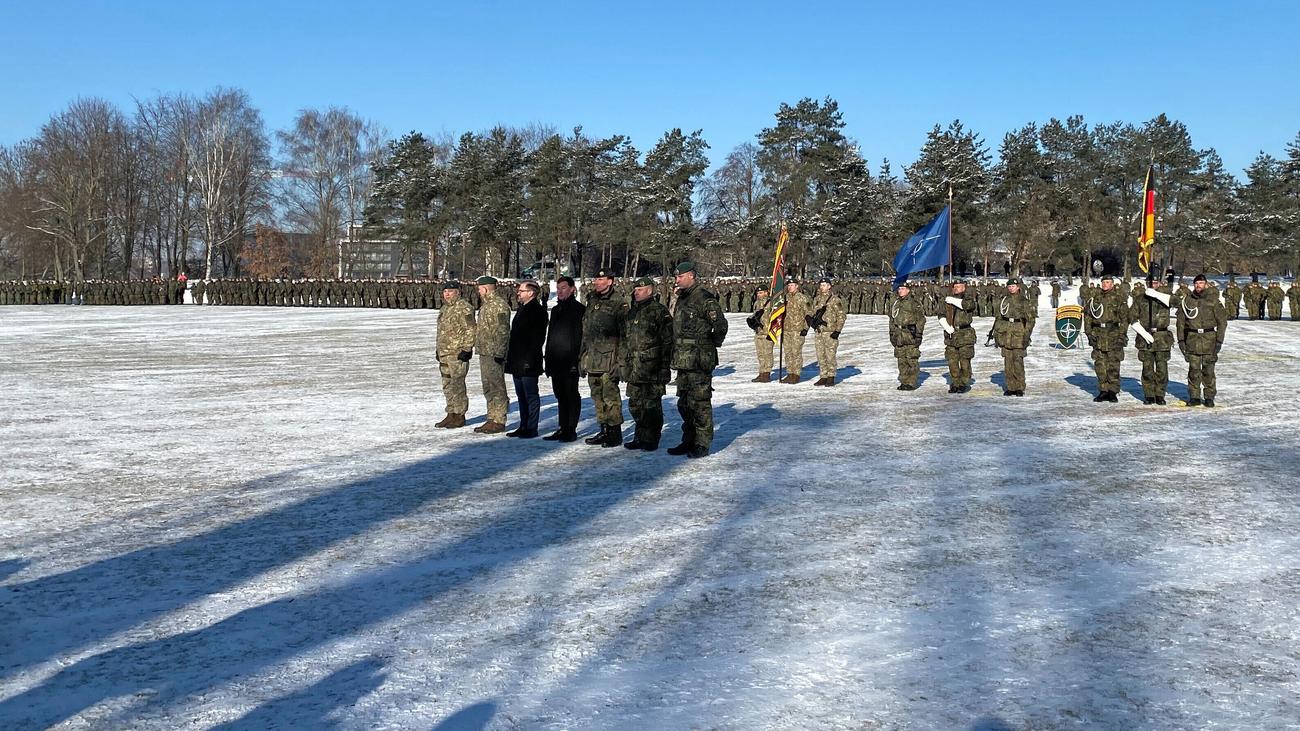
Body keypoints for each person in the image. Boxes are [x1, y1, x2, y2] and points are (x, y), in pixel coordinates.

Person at [668, 262, 728, 458]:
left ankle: (702, 443)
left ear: (691, 276)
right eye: (676, 277)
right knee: (684, 403)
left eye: (680, 277)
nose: (677, 280)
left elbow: (720, 325)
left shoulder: (703, 298)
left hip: (699, 360)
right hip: (683, 360)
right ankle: (689, 440)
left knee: (700, 402)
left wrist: (708, 346)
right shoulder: (683, 298)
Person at [621, 277, 674, 450]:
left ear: (650, 291)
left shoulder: (659, 311)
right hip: (634, 367)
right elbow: (625, 339)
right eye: (635, 290)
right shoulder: (632, 312)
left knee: (651, 405)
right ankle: (640, 436)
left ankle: (651, 438)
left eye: (640, 290)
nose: (636, 292)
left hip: (653, 367)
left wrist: (665, 367)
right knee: (635, 404)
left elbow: (668, 341)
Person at [579, 269, 628, 447]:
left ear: (610, 281)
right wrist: (582, 356)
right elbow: (586, 332)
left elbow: (625, 335)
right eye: (596, 279)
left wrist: (621, 362)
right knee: (597, 396)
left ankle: (615, 432)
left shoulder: (618, 303)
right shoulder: (592, 300)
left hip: (609, 360)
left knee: (610, 397)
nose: (597, 282)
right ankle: (604, 430)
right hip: (592, 358)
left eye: (601, 279)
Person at [543, 276, 585, 441]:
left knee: (571, 394)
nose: (560, 291)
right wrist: (548, 359)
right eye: (558, 288)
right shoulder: (555, 310)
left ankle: (571, 428)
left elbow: (579, 337)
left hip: (570, 360)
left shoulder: (578, 309)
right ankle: (562, 427)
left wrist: (576, 361)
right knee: (560, 394)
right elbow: (551, 336)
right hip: (556, 360)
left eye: (563, 288)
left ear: (572, 289)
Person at [504, 280, 548, 438]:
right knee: (521, 395)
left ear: (531, 293)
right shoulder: (523, 308)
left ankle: (531, 427)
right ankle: (523, 425)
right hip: (517, 360)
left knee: (531, 395)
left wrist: (528, 360)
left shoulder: (537, 311)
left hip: (528, 361)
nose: (518, 293)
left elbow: (537, 339)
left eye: (521, 291)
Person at [1177, 274, 1228, 407]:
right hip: (1192, 340)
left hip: (1209, 340)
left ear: (1206, 284)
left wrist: (1219, 341)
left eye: (1201, 283)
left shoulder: (1213, 301)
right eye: (1196, 283)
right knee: (1193, 370)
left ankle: (1209, 397)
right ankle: (1194, 397)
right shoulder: (1188, 301)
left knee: (1208, 371)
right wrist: (1181, 340)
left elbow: (1222, 322)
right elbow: (1181, 322)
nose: (1198, 286)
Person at [472, 276, 510, 434]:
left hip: (494, 352)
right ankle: (492, 417)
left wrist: (500, 351)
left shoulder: (499, 305)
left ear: (486, 289)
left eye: (480, 289)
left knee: (497, 386)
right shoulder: (487, 305)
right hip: (485, 351)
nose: (479, 291)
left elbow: (503, 330)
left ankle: (499, 419)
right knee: (488, 386)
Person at [1129, 273, 1175, 405]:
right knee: (1147, 369)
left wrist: (1157, 295)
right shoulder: (1140, 299)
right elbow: (1131, 317)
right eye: (1150, 282)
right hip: (1145, 338)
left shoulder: (1165, 296)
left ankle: (1160, 394)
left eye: (1155, 282)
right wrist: (1143, 332)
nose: (1152, 285)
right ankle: (1149, 394)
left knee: (1162, 369)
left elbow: (1176, 302)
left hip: (1162, 338)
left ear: (1159, 283)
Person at [435, 282, 476, 428]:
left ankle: (459, 415)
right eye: (445, 291)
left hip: (457, 353)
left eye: (450, 291)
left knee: (457, 384)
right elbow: (442, 331)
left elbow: (470, 329)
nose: (447, 294)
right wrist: (438, 349)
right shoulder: (445, 308)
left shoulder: (464, 308)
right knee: (447, 384)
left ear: (458, 292)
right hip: (444, 352)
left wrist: (467, 349)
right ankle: (450, 412)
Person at [1083, 273, 1129, 402]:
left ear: (1112, 284)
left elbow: (1125, 319)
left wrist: (1122, 335)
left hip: (1113, 333)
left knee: (1113, 364)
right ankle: (1103, 390)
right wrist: (1088, 332)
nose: (1105, 284)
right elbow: (1087, 316)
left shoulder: (1119, 298)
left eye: (1108, 282)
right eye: (1103, 282)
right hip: (1098, 334)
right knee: (1100, 364)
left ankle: (1113, 391)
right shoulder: (1095, 298)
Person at [990, 278, 1036, 396]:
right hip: (1006, 334)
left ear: (1018, 287)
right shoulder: (1004, 300)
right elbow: (999, 318)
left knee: (1018, 362)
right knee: (1008, 363)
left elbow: (1030, 320)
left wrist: (1027, 334)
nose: (1011, 288)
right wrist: (997, 333)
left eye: (1013, 286)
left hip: (1018, 334)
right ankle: (1010, 387)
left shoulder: (1024, 301)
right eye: (1009, 286)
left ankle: (1020, 387)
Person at [940, 279, 977, 393]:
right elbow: (940, 313)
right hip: (951, 335)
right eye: (955, 286)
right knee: (952, 362)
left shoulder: (968, 298)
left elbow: (968, 305)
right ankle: (955, 383)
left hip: (964, 334)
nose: (957, 288)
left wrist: (953, 301)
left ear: (964, 287)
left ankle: (963, 383)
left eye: (959, 286)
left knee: (965, 361)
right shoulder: (947, 300)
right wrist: (946, 326)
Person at [809, 277, 847, 386]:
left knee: (830, 355)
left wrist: (837, 331)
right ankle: (823, 376)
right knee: (820, 355)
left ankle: (831, 376)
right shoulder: (816, 299)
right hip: (819, 331)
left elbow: (841, 316)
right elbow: (812, 312)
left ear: (829, 286)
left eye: (824, 285)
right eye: (821, 285)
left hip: (830, 332)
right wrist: (811, 320)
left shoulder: (835, 299)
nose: (822, 287)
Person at [888, 281, 925, 390]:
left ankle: (911, 382)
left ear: (908, 290)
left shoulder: (914, 302)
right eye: (899, 289)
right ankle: (904, 381)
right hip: (898, 334)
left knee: (911, 359)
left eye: (903, 289)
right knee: (901, 360)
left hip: (910, 334)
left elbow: (921, 319)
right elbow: (892, 319)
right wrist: (891, 333)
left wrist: (918, 333)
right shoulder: (896, 303)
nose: (900, 291)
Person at [778, 278, 811, 383]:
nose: (789, 287)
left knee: (796, 352)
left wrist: (805, 328)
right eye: (788, 285)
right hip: (786, 329)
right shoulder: (785, 298)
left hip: (798, 329)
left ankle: (796, 374)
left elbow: (809, 314)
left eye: (792, 285)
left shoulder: (802, 298)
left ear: (797, 286)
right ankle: (790, 373)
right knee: (788, 352)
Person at [746, 285, 775, 382]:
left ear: (766, 292)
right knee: (760, 354)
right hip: (758, 332)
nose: (759, 295)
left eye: (761, 292)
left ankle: (767, 373)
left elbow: (776, 317)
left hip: (767, 332)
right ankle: (762, 372)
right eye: (758, 293)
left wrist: (773, 331)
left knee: (768, 353)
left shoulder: (771, 303)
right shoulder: (756, 303)